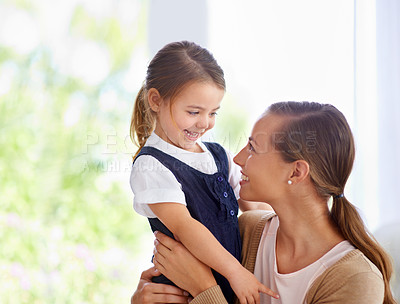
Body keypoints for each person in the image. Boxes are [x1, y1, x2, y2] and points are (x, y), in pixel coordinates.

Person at [132, 101, 397, 304]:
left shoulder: (355, 279)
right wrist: (146, 296)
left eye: (253, 148)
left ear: (296, 172)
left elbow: (205, 289)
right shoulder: (246, 232)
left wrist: (204, 289)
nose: (236, 159)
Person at [129, 40, 277, 304]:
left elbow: (253, 206)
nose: (205, 123)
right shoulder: (151, 165)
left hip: (224, 287)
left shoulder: (218, 155)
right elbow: (186, 228)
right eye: (194, 112)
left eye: (213, 113)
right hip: (181, 293)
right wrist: (236, 272)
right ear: (155, 100)